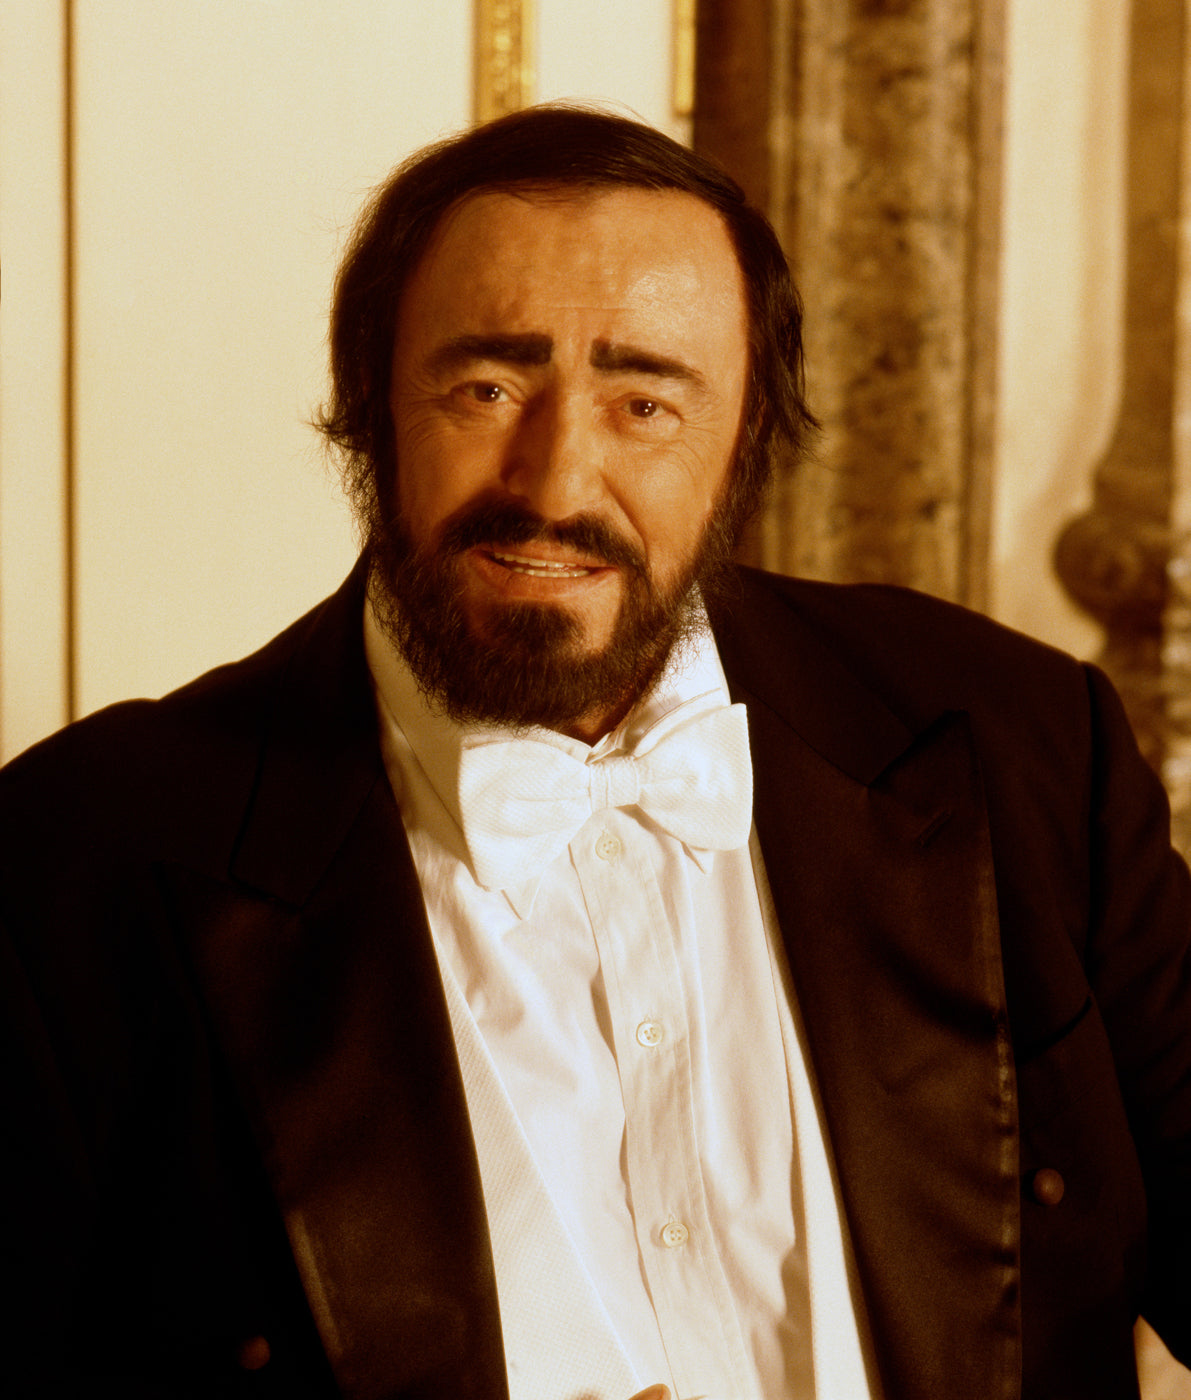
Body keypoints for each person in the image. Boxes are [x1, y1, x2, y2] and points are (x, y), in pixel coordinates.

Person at [3, 104, 1190, 1400]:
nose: (558, 481)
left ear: (747, 439)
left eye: (645, 402)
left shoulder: (1025, 746)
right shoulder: (76, 865)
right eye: (487, 388)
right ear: (368, 411)